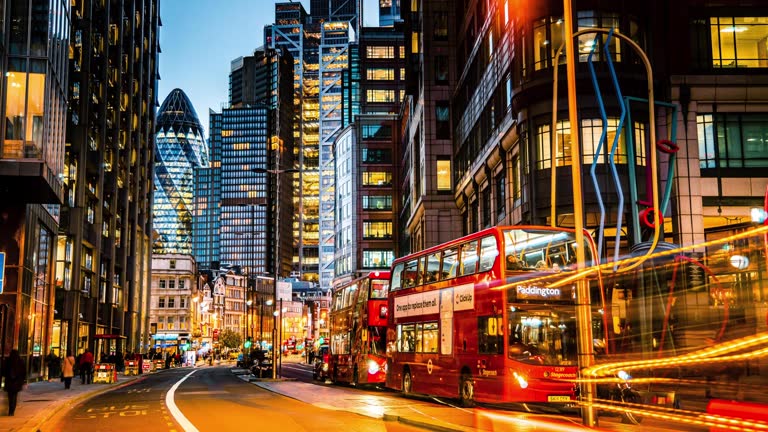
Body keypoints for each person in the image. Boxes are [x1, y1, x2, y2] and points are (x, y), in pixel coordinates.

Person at [3, 349, 27, 416]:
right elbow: (24, 372)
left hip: (9, 382)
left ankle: (10, 410)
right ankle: (12, 410)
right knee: (15, 396)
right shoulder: (20, 361)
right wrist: (23, 380)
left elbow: (3, 371)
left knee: (10, 396)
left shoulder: (7, 361)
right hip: (17, 382)